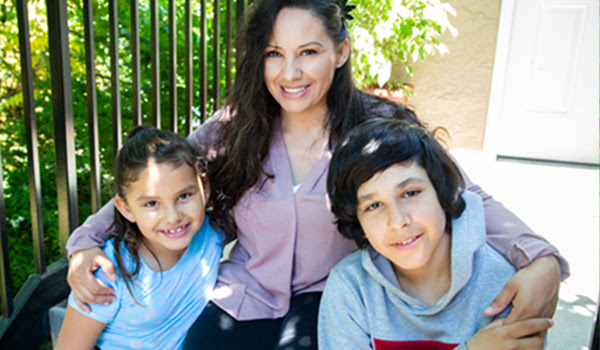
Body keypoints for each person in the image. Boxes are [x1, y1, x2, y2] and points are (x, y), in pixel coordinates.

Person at [65, 1, 568, 349]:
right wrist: (84, 244)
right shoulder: (233, 129)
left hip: (332, 303)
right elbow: (157, 183)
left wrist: (540, 256)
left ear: (341, 51)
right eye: (274, 54)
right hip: (243, 295)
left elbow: (463, 192)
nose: (290, 73)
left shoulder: (381, 127)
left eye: (308, 52)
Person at [319, 118, 553, 349]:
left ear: (446, 192)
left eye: (411, 193)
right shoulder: (349, 289)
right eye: (374, 206)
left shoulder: (503, 286)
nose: (398, 221)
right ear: (359, 224)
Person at [55, 126, 222, 349]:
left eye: (184, 196)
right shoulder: (108, 274)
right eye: (152, 203)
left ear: (205, 189)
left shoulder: (214, 234)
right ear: (126, 209)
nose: (173, 217)